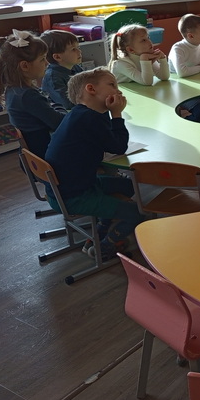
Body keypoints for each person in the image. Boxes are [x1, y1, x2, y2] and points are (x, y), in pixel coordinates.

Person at [44, 68, 146, 261]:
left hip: (69, 187)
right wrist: (117, 114)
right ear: (91, 89)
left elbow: (106, 138)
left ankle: (98, 233)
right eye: (112, 85)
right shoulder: (89, 118)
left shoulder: (80, 114)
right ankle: (105, 247)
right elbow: (118, 146)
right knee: (138, 213)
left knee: (128, 186)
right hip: (74, 195)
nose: (118, 91)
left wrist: (109, 113)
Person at [0, 29, 66, 158]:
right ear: (25, 66)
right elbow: (59, 122)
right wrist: (61, 107)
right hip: (49, 155)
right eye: (42, 59)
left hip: (37, 155)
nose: (47, 63)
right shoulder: (27, 95)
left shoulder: (14, 90)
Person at [40, 29, 84, 110]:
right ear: (57, 57)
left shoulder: (75, 67)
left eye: (78, 47)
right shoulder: (52, 77)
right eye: (73, 49)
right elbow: (67, 104)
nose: (79, 51)